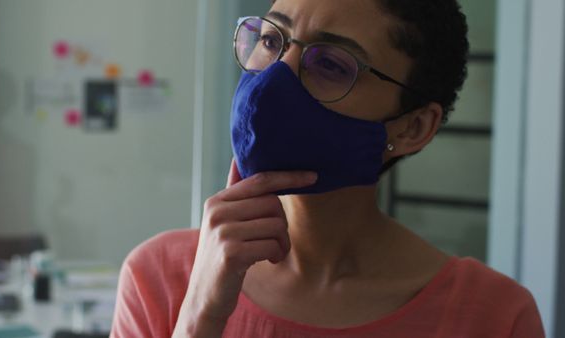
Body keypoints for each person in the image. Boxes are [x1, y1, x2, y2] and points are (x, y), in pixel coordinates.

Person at [110, 0, 545, 337]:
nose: (275, 77)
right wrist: (199, 317)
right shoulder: (160, 278)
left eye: (332, 65)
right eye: (270, 39)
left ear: (413, 127)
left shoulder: (492, 316)